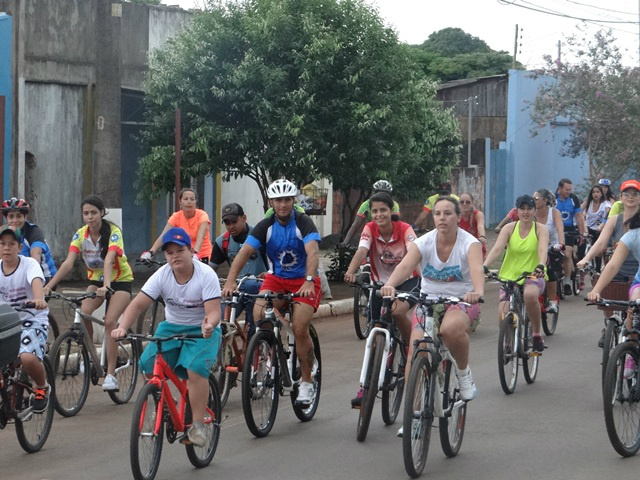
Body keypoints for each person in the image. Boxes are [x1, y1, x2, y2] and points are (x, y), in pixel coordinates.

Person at [382, 196, 483, 437]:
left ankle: (463, 372)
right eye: (438, 213)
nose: (442, 218)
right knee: (416, 352)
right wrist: (391, 285)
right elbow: (405, 266)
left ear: (458, 217)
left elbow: (477, 270)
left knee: (449, 330)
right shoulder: (424, 242)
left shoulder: (469, 243)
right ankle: (414, 415)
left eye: (448, 213)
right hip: (428, 303)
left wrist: (477, 292)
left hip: (460, 302)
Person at [112, 227, 221, 447]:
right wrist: (122, 327)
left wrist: (209, 324)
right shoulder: (162, 275)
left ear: (191, 251)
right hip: (171, 328)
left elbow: (214, 312)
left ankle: (198, 426)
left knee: (195, 368)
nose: (174, 256)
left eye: (180, 250)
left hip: (201, 330)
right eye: (169, 253)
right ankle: (161, 403)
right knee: (146, 364)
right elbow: (138, 304)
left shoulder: (206, 274)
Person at [222, 179, 322, 405]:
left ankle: (306, 381)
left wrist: (308, 281)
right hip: (276, 279)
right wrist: (230, 281)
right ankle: (269, 352)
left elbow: (313, 254)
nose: (283, 205)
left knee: (299, 327)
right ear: (271, 202)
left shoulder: (304, 223)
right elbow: (243, 253)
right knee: (259, 316)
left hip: (304, 281)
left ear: (293, 201)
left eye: (287, 200)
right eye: (278, 200)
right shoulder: (265, 226)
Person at [44, 195, 133, 392]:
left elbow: (109, 259)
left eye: (93, 212)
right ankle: (91, 357)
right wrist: (49, 285)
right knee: (83, 313)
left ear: (101, 213)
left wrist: (107, 285)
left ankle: (111, 374)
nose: (90, 217)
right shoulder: (80, 235)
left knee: (110, 322)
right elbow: (68, 263)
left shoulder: (113, 232)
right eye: (86, 213)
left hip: (120, 281)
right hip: (96, 282)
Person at [343, 192, 419, 408]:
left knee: (396, 312)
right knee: (375, 336)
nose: (379, 215)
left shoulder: (405, 229)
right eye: (374, 211)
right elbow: (362, 251)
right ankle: (364, 386)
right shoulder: (369, 229)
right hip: (379, 287)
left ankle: (407, 347)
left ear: (392, 211)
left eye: (383, 210)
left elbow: (414, 251)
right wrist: (351, 271)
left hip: (407, 282)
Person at [483, 195, 549, 353]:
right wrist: (485, 266)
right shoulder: (509, 228)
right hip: (509, 275)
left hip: (533, 274)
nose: (525, 212)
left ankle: (536, 334)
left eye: (529, 209)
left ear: (534, 211)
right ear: (516, 211)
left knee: (530, 295)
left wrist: (540, 265)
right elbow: (498, 248)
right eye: (522, 209)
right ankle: (508, 340)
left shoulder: (540, 229)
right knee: (502, 313)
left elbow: (542, 249)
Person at [578, 180, 640, 345]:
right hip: (619, 268)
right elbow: (601, 243)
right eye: (627, 194)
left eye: (635, 194)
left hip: (636, 270)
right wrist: (586, 258)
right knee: (605, 290)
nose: (631, 197)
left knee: (633, 314)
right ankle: (610, 322)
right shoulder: (616, 221)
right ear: (620, 197)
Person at [0, 225, 50, 412]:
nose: (6, 248)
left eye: (11, 244)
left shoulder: (29, 264)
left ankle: (42, 387)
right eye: (2, 244)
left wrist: (38, 299)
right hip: (5, 323)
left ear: (19, 247)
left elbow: (36, 282)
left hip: (32, 319)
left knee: (27, 358)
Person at [587, 210, 640, 377]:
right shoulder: (632, 236)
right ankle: (631, 351)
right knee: (635, 305)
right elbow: (612, 266)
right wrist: (596, 290)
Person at [210, 202, 267, 337]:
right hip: (235, 287)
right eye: (227, 223)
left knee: (254, 325)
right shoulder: (222, 242)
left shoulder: (259, 236)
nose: (231, 226)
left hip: (259, 288)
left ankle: (254, 347)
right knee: (221, 322)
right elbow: (210, 271)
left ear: (244, 218)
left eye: (234, 222)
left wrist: (269, 274)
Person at [143, 188, 212, 263]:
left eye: (192, 199)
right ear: (180, 202)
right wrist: (151, 252)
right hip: (184, 256)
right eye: (186, 199)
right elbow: (164, 235)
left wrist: (195, 253)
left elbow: (200, 237)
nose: (189, 202)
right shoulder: (176, 216)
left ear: (195, 202)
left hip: (202, 256)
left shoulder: (202, 215)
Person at [1, 197, 57, 283]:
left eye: (19, 216)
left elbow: (35, 259)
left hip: (44, 277)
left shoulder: (33, 232)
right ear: (6, 218)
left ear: (25, 217)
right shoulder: (5, 233)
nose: (15, 220)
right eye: (11, 217)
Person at [533, 189, 565, 314]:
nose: (533, 200)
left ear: (545, 200)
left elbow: (560, 229)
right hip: (534, 248)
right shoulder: (531, 213)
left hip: (551, 247)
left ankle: (552, 301)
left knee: (549, 271)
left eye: (536, 198)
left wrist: (561, 244)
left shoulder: (554, 213)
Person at [342, 180, 401, 245]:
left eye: (385, 194)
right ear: (374, 194)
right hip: (371, 234)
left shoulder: (394, 205)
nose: (382, 197)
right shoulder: (366, 205)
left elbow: (396, 225)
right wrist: (345, 242)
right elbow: (356, 224)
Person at [555, 178, 587, 296]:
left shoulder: (573, 198)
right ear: (560, 189)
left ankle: (567, 282)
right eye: (566, 189)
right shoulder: (554, 199)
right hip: (555, 230)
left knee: (567, 254)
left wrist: (581, 232)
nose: (569, 191)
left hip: (569, 231)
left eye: (570, 189)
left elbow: (579, 216)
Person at [582, 185, 611, 271]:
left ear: (601, 194)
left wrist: (602, 225)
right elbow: (578, 211)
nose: (595, 194)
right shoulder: (588, 203)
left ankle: (598, 268)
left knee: (599, 248)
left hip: (600, 229)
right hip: (588, 228)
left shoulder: (606, 204)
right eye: (594, 192)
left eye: (598, 192)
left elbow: (608, 217)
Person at [457, 192, 487, 258]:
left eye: (467, 202)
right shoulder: (456, 215)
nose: (464, 204)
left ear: (472, 203)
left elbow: (480, 226)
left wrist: (482, 236)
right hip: (460, 247)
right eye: (462, 202)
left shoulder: (478, 214)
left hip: (476, 245)